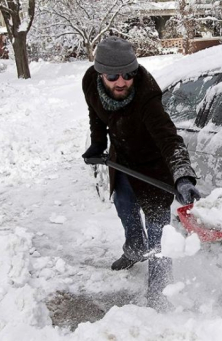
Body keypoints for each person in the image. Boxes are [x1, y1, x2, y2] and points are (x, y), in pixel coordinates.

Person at [81, 36, 200, 310]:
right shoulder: (89, 81)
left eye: (129, 74)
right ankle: (134, 249)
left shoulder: (147, 96)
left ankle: (159, 292)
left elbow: (169, 139)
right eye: (113, 76)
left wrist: (182, 175)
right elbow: (96, 113)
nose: (121, 81)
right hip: (121, 162)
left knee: (159, 234)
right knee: (125, 211)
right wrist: (98, 143)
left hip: (153, 169)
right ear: (100, 74)